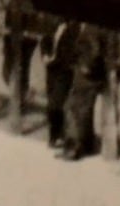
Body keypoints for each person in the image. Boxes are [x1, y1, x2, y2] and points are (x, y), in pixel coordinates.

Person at [62, 24, 106, 160]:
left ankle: (73, 148)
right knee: (84, 112)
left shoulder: (91, 29)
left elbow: (95, 51)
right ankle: (86, 146)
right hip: (86, 76)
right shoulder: (88, 28)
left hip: (86, 78)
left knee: (73, 110)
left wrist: (86, 67)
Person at [41, 18, 79, 149]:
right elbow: (45, 40)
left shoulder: (74, 29)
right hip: (51, 70)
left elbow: (71, 53)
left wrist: (54, 61)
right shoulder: (54, 24)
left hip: (64, 71)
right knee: (52, 102)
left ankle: (59, 136)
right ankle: (55, 136)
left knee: (55, 103)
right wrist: (45, 55)